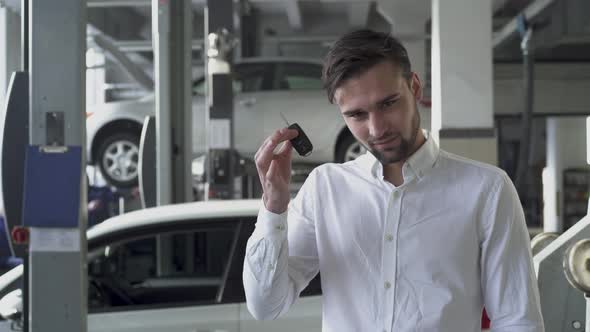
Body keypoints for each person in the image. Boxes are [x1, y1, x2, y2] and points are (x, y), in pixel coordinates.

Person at [243, 29, 544, 331]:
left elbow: (518, 320)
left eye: (388, 104)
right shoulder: (325, 188)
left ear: (415, 87)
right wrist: (273, 209)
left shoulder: (487, 190)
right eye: (357, 115)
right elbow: (266, 306)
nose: (376, 129)